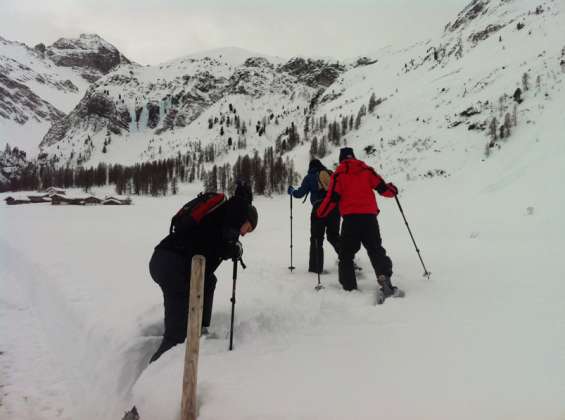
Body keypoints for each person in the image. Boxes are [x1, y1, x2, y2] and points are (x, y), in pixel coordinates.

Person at [149, 182, 258, 362]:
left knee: (209, 281)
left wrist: (230, 247)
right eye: (249, 228)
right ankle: (154, 377)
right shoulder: (234, 212)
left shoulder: (221, 218)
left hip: (168, 260)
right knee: (177, 335)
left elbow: (210, 246)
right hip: (171, 264)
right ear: (245, 219)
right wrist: (230, 248)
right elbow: (216, 243)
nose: (245, 234)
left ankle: (199, 329)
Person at [317, 147, 403, 301]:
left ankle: (349, 287)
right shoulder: (366, 170)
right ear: (354, 157)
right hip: (369, 218)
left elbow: (332, 198)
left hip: (351, 220)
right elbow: (383, 188)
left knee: (346, 254)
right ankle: (384, 278)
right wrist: (393, 190)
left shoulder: (339, 174)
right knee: (375, 249)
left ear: (341, 159)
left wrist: (320, 213)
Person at [288, 159, 340, 273]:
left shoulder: (310, 177)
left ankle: (316, 268)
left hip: (319, 209)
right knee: (334, 236)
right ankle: (347, 258)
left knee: (316, 239)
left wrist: (292, 191)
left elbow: (299, 194)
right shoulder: (330, 174)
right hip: (334, 208)